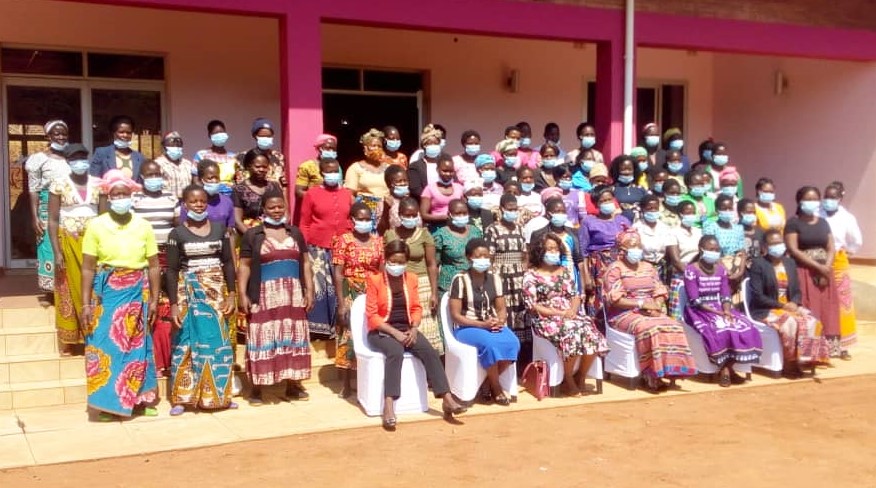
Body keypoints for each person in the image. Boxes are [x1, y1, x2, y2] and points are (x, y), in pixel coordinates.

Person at [80, 170, 160, 420]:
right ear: (108, 196)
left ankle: (140, 400)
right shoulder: (96, 225)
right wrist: (85, 303)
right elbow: (88, 266)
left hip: (138, 289)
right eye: (115, 194)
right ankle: (107, 405)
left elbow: (154, 264)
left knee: (139, 346)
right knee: (106, 346)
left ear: (132, 195)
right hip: (108, 291)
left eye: (124, 193)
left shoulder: (143, 225)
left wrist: (156, 298)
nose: (120, 198)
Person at [366, 241, 467, 430]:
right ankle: (389, 405)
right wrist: (394, 333)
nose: (397, 265)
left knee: (429, 351)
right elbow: (372, 316)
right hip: (382, 331)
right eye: (393, 261)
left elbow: (416, 308)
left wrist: (413, 328)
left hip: (407, 328)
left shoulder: (411, 278)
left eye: (401, 262)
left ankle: (446, 398)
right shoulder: (375, 280)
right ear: (386, 260)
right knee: (395, 351)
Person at [165, 184, 237, 415]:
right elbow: (172, 270)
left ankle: (219, 396)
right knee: (185, 342)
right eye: (193, 202)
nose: (198, 205)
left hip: (216, 293)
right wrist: (174, 304)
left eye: (202, 201)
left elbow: (228, 262)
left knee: (218, 342)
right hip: (189, 294)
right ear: (185, 205)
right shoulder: (177, 234)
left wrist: (232, 294)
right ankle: (182, 399)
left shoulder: (219, 230)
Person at [238, 191, 314, 404]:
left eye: (280, 206)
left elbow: (306, 263)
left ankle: (292, 385)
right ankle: (256, 389)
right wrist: (242, 293)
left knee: (292, 336)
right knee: (262, 337)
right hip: (263, 294)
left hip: (292, 295)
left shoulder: (295, 233)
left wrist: (309, 290)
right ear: (263, 209)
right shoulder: (253, 234)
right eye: (272, 207)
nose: (277, 210)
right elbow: (244, 266)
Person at [603, 229, 697, 391]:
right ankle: (651, 374)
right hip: (623, 313)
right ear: (622, 250)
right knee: (650, 328)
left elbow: (659, 290)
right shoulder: (615, 269)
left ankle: (671, 372)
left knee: (673, 326)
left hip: (651, 309)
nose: (636, 249)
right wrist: (641, 304)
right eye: (631, 246)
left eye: (638, 245)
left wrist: (657, 305)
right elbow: (614, 300)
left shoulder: (648, 267)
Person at [523, 233, 608, 396]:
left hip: (569, 313)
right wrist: (559, 313)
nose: (553, 252)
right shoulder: (531, 275)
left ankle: (580, 376)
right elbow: (532, 305)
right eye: (549, 249)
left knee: (591, 331)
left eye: (555, 248)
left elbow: (576, 295)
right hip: (546, 318)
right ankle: (568, 379)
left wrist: (573, 310)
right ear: (540, 251)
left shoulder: (564, 271)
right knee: (572, 332)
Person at [747, 229, 831, 377]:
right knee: (790, 322)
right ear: (765, 247)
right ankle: (789, 362)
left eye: (779, 242)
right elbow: (758, 296)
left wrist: (794, 303)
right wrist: (783, 306)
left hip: (790, 306)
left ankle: (806, 360)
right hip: (766, 309)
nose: (777, 246)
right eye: (773, 243)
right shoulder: (758, 264)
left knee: (811, 320)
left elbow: (797, 290)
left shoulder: (790, 263)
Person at [683, 235, 762, 387]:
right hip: (698, 310)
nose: (715, 252)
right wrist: (720, 314)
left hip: (720, 307)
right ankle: (724, 369)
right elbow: (695, 300)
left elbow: (725, 294)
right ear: (701, 249)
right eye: (711, 249)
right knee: (719, 328)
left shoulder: (721, 270)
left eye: (717, 250)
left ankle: (729, 367)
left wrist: (726, 311)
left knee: (744, 325)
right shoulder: (691, 270)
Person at [449, 238, 521, 404]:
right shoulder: (460, 280)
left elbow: (502, 308)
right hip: (467, 327)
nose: (484, 260)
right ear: (469, 257)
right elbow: (456, 315)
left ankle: (487, 382)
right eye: (479, 256)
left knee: (513, 342)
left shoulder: (495, 278)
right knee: (490, 344)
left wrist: (500, 321)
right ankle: (496, 388)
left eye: (486, 256)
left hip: (491, 324)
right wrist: (482, 325)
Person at [48, 143, 100, 355]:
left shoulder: (98, 184)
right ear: (68, 162)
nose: (80, 162)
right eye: (75, 158)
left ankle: (93, 337)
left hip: (93, 243)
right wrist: (57, 251)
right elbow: (52, 220)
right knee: (68, 290)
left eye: (83, 157)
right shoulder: (58, 184)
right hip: (68, 241)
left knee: (94, 289)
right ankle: (68, 341)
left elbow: (104, 216)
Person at [132, 160, 179, 377]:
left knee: (168, 307)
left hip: (168, 256)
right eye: (149, 174)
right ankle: (151, 361)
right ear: (141, 177)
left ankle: (169, 359)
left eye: (157, 173)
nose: (154, 178)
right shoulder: (133, 199)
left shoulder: (171, 198)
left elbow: (178, 228)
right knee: (148, 306)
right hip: (143, 258)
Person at [332, 202, 384, 398]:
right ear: (352, 220)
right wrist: (341, 302)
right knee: (349, 334)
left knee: (370, 331)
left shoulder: (378, 241)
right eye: (360, 219)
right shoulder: (343, 240)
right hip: (350, 288)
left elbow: (381, 269)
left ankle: (367, 378)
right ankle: (346, 383)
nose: (364, 222)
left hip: (372, 290)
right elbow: (338, 273)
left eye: (367, 219)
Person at [299, 157, 353, 341]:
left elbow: (350, 220)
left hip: (342, 248)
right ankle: (319, 331)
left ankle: (339, 327)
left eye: (335, 170)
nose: (332, 174)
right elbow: (304, 223)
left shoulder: (347, 194)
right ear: (321, 174)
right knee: (321, 290)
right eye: (328, 171)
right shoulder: (311, 194)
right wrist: (304, 249)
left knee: (341, 288)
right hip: (318, 249)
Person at [784, 186, 841, 357]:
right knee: (810, 307)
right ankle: (810, 350)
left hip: (825, 273)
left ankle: (829, 349)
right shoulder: (793, 223)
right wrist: (818, 267)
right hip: (804, 271)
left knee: (828, 308)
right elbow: (793, 250)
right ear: (799, 201)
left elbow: (831, 247)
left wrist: (827, 267)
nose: (812, 203)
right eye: (808, 199)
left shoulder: (823, 222)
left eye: (815, 199)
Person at [384, 198, 442, 354]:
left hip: (421, 284)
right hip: (398, 284)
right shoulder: (389, 235)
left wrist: (434, 293)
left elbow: (431, 264)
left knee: (425, 328)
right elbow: (385, 263)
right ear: (400, 215)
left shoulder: (424, 234)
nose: (411, 218)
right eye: (407, 215)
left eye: (414, 215)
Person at [26, 119, 71, 298]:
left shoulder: (71, 158)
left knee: (67, 245)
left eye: (64, 134)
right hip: (46, 208)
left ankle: (67, 287)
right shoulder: (38, 159)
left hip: (68, 208)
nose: (60, 137)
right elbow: (33, 190)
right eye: (56, 133)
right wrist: (34, 216)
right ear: (48, 136)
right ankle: (53, 292)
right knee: (49, 247)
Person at [484, 194, 530, 369]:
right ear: (501, 209)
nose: (512, 212)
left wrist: (524, 272)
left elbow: (525, 254)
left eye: (515, 209)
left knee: (520, 315)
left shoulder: (519, 228)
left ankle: (521, 361)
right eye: (509, 209)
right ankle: (505, 357)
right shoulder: (492, 229)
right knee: (504, 313)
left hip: (519, 277)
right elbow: (489, 256)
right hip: (500, 276)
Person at [820, 181, 862, 359]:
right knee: (822, 301)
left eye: (833, 197)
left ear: (840, 198)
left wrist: (847, 252)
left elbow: (856, 241)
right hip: (819, 259)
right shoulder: (816, 214)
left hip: (838, 260)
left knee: (843, 304)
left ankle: (843, 346)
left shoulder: (847, 218)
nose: (828, 200)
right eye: (826, 196)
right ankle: (823, 345)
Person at [580, 185, 631, 311]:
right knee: (600, 297)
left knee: (621, 294)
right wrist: (586, 277)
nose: (607, 203)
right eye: (602, 201)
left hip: (622, 264)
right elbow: (583, 251)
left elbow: (632, 243)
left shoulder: (623, 220)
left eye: (609, 199)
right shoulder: (589, 222)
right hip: (599, 267)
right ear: (596, 204)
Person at [531, 197, 585, 293]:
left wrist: (583, 287)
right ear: (548, 214)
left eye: (563, 211)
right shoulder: (539, 235)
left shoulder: (573, 233)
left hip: (572, 276)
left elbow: (579, 260)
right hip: (549, 277)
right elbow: (534, 261)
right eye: (557, 211)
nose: (561, 214)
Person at [434, 199, 484, 294]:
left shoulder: (475, 231)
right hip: (449, 286)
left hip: (473, 283)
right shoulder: (441, 235)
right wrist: (434, 291)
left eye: (464, 213)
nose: (461, 216)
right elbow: (434, 264)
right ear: (450, 214)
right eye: (457, 213)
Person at [345, 128, 390, 227]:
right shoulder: (355, 168)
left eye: (379, 146)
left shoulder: (388, 168)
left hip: (386, 212)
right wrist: (359, 211)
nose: (377, 149)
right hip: (365, 214)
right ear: (365, 148)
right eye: (373, 146)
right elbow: (349, 194)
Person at [232, 150, 283, 234]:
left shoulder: (274, 186)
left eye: (265, 167)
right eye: (258, 166)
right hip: (249, 237)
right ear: (248, 166)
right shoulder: (239, 190)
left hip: (273, 235)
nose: (261, 170)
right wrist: (253, 239)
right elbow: (237, 221)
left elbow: (284, 214)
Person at [666, 201, 703, 320]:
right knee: (679, 316)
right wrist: (690, 274)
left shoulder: (698, 231)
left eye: (693, 213)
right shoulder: (673, 232)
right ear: (681, 214)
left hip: (698, 272)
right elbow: (676, 261)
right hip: (681, 275)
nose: (691, 215)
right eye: (688, 212)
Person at [703, 194, 747, 289]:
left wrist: (740, 272)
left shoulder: (738, 228)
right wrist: (726, 270)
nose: (727, 211)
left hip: (737, 268)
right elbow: (711, 252)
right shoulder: (711, 228)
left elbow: (742, 252)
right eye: (724, 208)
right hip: (718, 269)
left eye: (730, 208)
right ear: (717, 210)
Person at [181, 160, 235, 230]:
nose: (214, 181)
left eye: (216, 177)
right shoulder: (190, 203)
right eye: (210, 178)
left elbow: (230, 229)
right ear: (201, 179)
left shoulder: (227, 201)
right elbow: (183, 228)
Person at [89, 115, 146, 179]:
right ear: (113, 133)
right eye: (121, 132)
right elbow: (94, 179)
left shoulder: (139, 157)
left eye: (128, 133)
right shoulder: (101, 154)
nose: (125, 135)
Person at [633, 195, 673, 282]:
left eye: (656, 208)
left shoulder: (665, 228)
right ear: (643, 209)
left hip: (662, 268)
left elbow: (669, 250)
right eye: (649, 208)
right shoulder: (636, 228)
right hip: (642, 268)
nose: (653, 211)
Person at [237, 118, 286, 186]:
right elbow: (240, 181)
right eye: (262, 136)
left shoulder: (278, 157)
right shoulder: (244, 156)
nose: (266, 138)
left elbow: (282, 181)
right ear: (255, 136)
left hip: (274, 195)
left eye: (269, 136)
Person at [420, 158, 464, 230]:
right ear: (437, 170)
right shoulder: (429, 189)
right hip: (437, 227)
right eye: (445, 171)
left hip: (457, 226)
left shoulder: (459, 188)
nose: (448, 174)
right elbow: (423, 215)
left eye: (451, 171)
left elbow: (464, 208)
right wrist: (443, 217)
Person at [192, 119, 238, 189]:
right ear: (210, 135)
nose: (220, 135)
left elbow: (237, 179)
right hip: (209, 196)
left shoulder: (233, 157)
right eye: (216, 133)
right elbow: (196, 180)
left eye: (222, 132)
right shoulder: (201, 155)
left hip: (230, 197)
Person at [408, 124, 447, 199]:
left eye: (436, 143)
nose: (433, 146)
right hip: (424, 203)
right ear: (424, 146)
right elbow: (415, 189)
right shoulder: (415, 166)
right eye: (429, 143)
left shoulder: (444, 163)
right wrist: (432, 197)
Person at [295, 134, 338, 200]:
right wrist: (318, 197)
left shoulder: (336, 166)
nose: (331, 151)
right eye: (328, 148)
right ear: (320, 148)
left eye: (334, 149)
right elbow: (298, 192)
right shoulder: (307, 166)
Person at [154, 131, 193, 199]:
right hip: (168, 204)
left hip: (186, 203)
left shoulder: (188, 164)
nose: (176, 146)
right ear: (164, 146)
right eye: (172, 144)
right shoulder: (158, 164)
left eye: (179, 144)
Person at [610, 155, 647, 222]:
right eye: (623, 169)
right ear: (617, 171)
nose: (627, 172)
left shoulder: (641, 189)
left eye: (630, 169)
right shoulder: (611, 190)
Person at [738, 198, 764, 263]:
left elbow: (763, 251)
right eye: (749, 212)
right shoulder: (735, 232)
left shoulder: (759, 232)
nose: (752, 215)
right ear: (740, 213)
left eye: (754, 212)